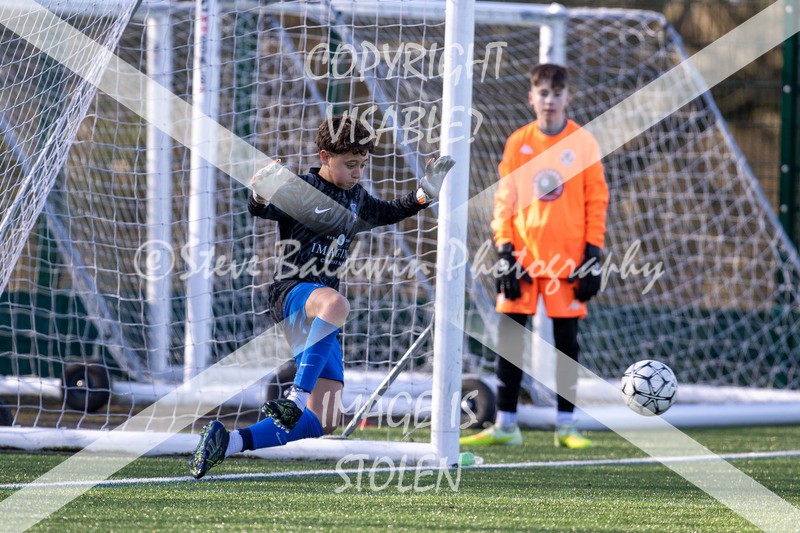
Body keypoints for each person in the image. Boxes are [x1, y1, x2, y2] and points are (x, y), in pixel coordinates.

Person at [188, 115, 454, 479]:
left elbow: (390, 211)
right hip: (292, 293)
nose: (358, 173)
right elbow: (261, 207)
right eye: (350, 164)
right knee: (336, 303)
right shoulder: (302, 189)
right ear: (326, 156)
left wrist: (425, 194)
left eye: (362, 164)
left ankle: (229, 441)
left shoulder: (358, 199)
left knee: (325, 418)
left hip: (322, 315)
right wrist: (260, 192)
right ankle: (295, 398)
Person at [460, 63, 609, 449]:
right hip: (523, 260)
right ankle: (506, 424)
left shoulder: (583, 143)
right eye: (543, 93)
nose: (549, 100)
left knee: (566, 345)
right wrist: (504, 251)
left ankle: (567, 427)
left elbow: (596, 200)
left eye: (557, 94)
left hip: (567, 263)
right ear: (531, 97)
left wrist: (593, 253)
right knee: (511, 341)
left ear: (568, 97)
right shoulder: (518, 142)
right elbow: (504, 201)